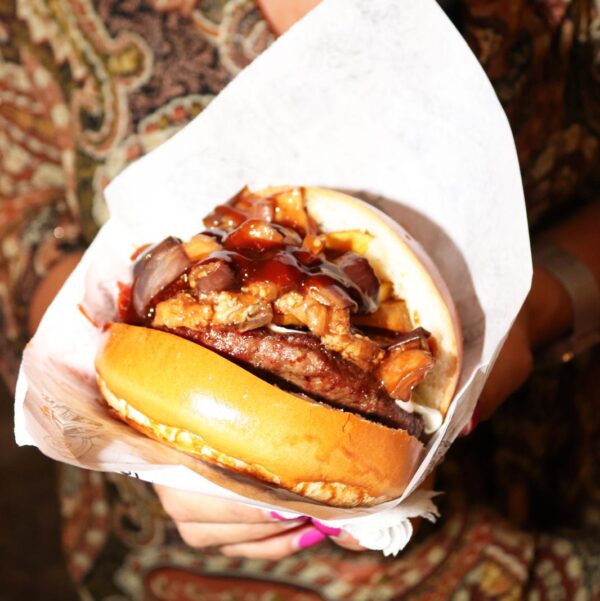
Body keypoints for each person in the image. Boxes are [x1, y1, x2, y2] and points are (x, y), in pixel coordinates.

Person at [2, 0, 599, 598]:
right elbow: (24, 229)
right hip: (159, 557)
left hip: (535, 510)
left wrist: (535, 308)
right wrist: (124, 421)